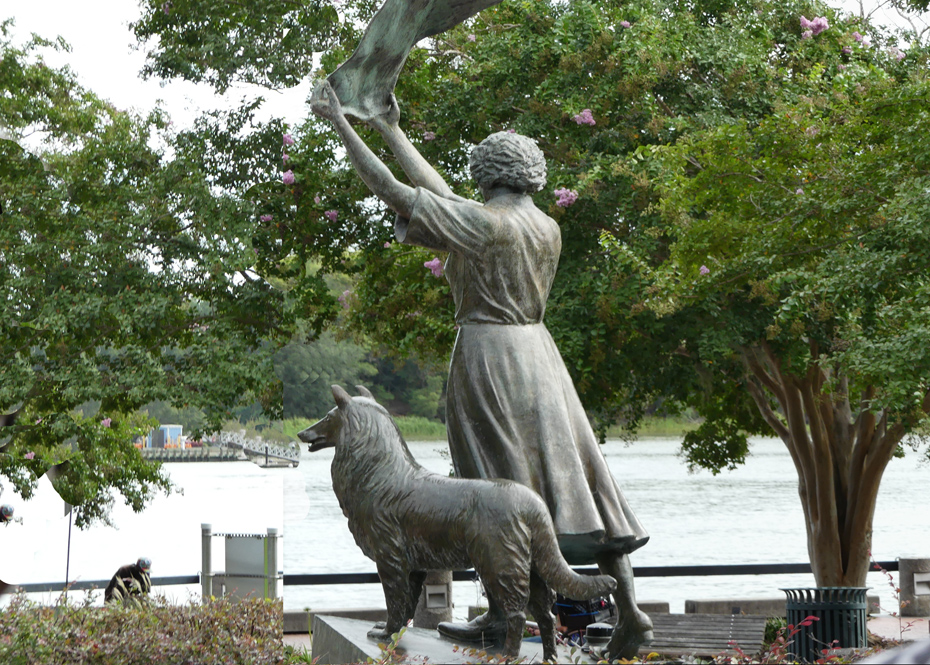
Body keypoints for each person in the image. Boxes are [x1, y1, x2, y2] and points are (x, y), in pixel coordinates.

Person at [310, 80, 654, 659]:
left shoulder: (486, 226)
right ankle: (629, 613)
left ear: (485, 173)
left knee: (495, 491)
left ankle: (505, 622)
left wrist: (339, 124)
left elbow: (399, 193)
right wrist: (391, 129)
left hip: (489, 363)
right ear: (531, 174)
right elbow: (442, 197)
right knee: (581, 488)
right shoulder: (545, 226)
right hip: (541, 360)